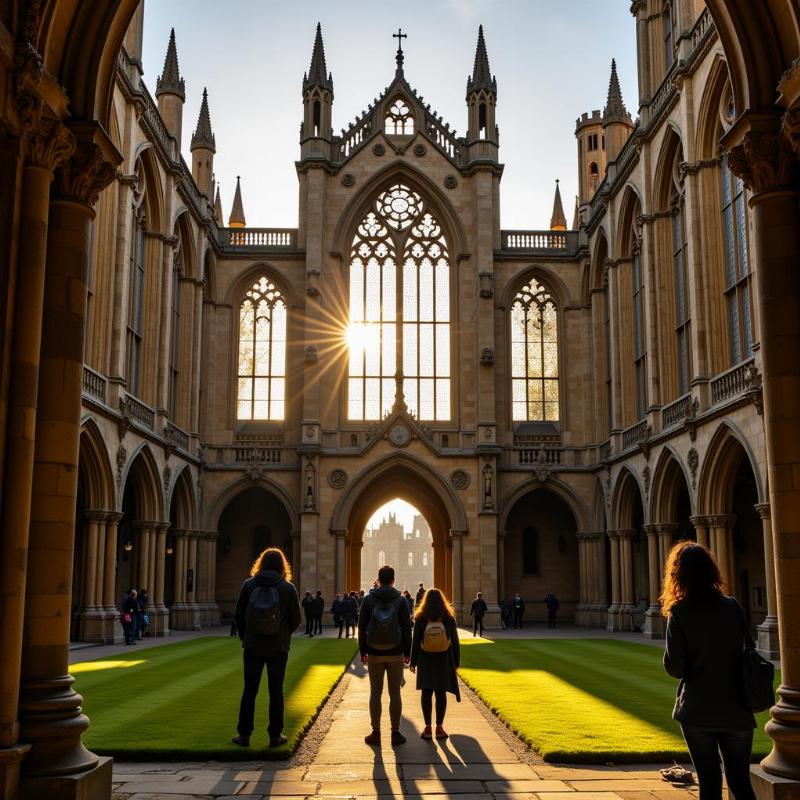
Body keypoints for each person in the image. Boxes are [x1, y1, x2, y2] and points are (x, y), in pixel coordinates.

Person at [662, 541, 756, 800]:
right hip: (737, 707)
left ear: (677, 573)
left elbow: (675, 667)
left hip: (698, 708)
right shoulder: (733, 606)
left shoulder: (679, 612)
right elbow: (747, 647)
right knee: (741, 782)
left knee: (709, 783)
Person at [232, 547, 302, 749]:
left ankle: (244, 735)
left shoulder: (248, 585)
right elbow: (296, 619)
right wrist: (283, 634)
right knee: (276, 691)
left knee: (249, 690)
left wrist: (246, 637)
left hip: (253, 646)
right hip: (278, 647)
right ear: (282, 565)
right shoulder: (288, 588)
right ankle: (275, 736)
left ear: (261, 563)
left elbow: (239, 616)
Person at [358, 565, 412, 746]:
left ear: (378, 579)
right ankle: (395, 732)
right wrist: (407, 652)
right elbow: (407, 629)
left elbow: (361, 627)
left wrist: (363, 651)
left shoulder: (367, 600)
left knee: (375, 692)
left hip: (374, 651)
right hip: (395, 651)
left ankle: (376, 732)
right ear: (393, 580)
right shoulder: (401, 600)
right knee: (395, 692)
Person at [410, 588, 461, 740]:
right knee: (441, 693)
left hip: (425, 659)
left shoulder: (420, 618)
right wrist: (456, 661)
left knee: (426, 693)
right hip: (444, 659)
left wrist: (413, 661)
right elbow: (455, 642)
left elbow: (416, 641)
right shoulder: (448, 618)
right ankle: (439, 727)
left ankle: (427, 727)